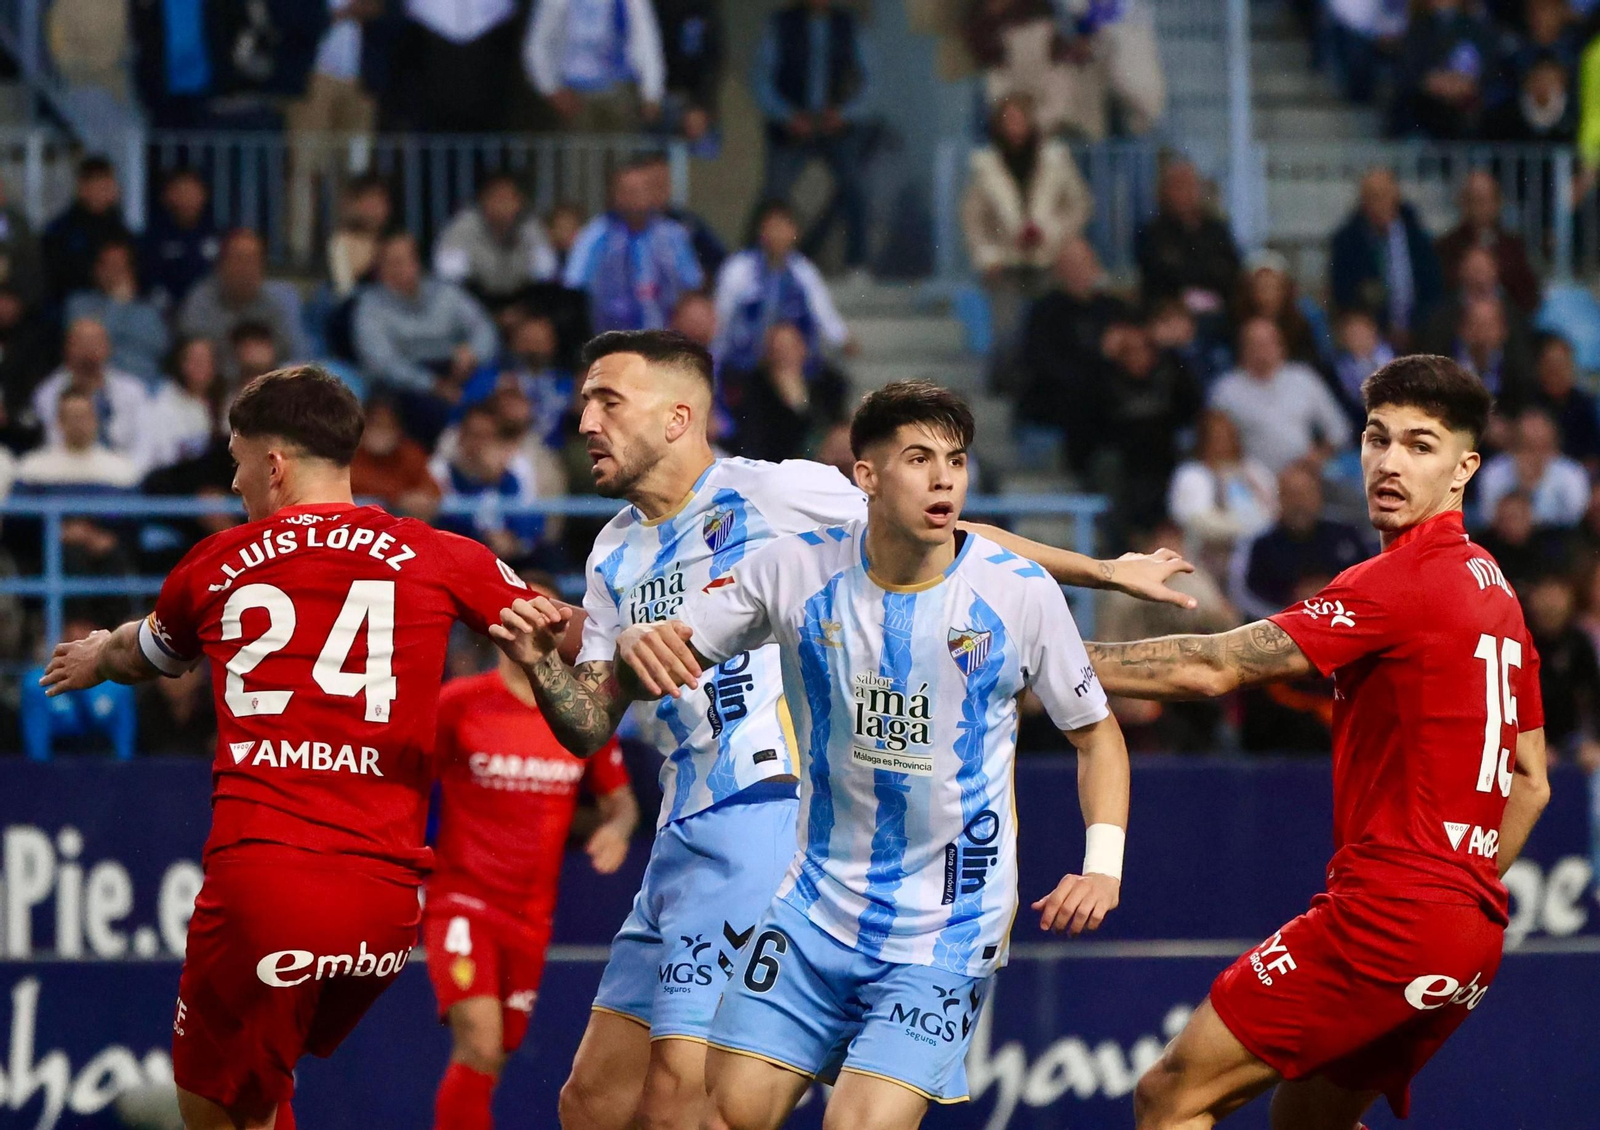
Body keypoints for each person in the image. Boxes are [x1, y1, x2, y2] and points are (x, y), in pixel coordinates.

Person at [477, 329, 1195, 1130]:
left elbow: (944, 532)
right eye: (584, 402)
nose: (585, 421)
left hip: (764, 813)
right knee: (592, 1103)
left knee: (682, 1095)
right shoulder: (612, 552)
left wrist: (1100, 570)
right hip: (683, 831)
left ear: (678, 417)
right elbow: (590, 722)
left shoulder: (778, 495)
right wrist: (542, 664)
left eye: (607, 400)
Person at [596, 379, 1131, 1130]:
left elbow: (1096, 735)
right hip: (813, 910)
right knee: (722, 1117)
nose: (944, 476)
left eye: (956, 459)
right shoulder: (792, 571)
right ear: (867, 478)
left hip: (945, 930)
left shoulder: (1018, 594)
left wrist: (1101, 865)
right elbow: (667, 649)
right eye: (918, 458)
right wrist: (631, 643)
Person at [37, 364, 545, 1130]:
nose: (236, 482)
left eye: (239, 460)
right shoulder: (439, 554)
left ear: (273, 464)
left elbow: (140, 653)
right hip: (382, 912)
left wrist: (92, 654)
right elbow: (567, 628)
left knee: (212, 1111)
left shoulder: (212, 565)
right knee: (269, 1077)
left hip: (264, 886)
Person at [1084, 354, 1551, 1130]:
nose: (1390, 462)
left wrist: (1047, 662)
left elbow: (1213, 667)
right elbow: (1531, 780)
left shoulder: (1399, 581)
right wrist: (1456, 890)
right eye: (1377, 438)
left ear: (1465, 469)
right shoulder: (1496, 590)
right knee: (1308, 1123)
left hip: (1393, 914)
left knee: (1170, 1097)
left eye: (1421, 445)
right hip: (1471, 931)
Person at [425, 572, 639, 1130]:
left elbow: (622, 805)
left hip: (531, 916)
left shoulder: (580, 718)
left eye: (553, 618)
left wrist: (615, 829)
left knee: (498, 1052)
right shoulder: (460, 705)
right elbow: (406, 779)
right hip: (462, 902)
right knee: (479, 1041)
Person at [961, 93, 1093, 381]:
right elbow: (973, 219)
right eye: (1008, 119)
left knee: (1050, 330)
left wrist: (1052, 233)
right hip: (1006, 262)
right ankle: (1005, 391)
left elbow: (1078, 203)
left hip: (1049, 257)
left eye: (1020, 119)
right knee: (1007, 334)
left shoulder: (1055, 159)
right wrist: (987, 256)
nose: (1015, 126)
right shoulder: (986, 165)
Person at [752, 0, 875, 276]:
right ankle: (762, 261)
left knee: (854, 188)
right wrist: (787, 115)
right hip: (791, 127)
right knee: (775, 192)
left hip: (837, 126)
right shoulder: (781, 24)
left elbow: (869, 81)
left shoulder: (849, 25)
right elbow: (761, 80)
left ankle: (857, 265)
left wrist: (845, 113)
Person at [354, 231, 499, 445]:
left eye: (406, 260)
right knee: (428, 410)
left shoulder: (446, 293)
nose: (401, 268)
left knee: (499, 392)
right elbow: (382, 363)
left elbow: (484, 328)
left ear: (418, 262)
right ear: (379, 269)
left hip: (458, 368)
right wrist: (432, 385)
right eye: (392, 262)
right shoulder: (370, 306)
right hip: (409, 382)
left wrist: (473, 353)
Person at [563, 161, 704, 333]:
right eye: (627, 190)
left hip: (663, 337)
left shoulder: (673, 235)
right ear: (614, 194)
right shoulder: (596, 234)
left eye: (641, 189)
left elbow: (691, 284)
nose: (634, 196)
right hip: (609, 336)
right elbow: (574, 282)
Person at [713, 199, 849, 375]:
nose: (778, 234)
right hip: (746, 358)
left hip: (792, 355)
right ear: (760, 231)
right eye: (773, 227)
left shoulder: (803, 270)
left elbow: (822, 310)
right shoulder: (739, 267)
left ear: (795, 232)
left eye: (784, 227)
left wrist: (842, 338)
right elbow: (722, 315)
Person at [1229, 461, 1373, 621]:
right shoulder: (1259, 545)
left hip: (1349, 623)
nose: (1299, 503)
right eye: (1291, 495)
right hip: (1283, 630)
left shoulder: (1347, 534)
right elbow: (1243, 596)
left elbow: (1374, 579)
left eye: (1305, 494)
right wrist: (1291, 614)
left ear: (1319, 495)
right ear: (1279, 498)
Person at [1209, 318, 1351, 473]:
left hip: (1305, 474)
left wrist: (1319, 455)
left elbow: (1339, 430)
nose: (1261, 350)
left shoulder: (1303, 378)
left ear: (1281, 346)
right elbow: (1214, 445)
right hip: (1252, 479)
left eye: (1267, 343)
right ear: (1242, 349)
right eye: (1254, 344)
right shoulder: (1225, 391)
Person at [1329, 168, 1443, 348]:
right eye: (1372, 197)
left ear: (1396, 196)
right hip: (1372, 339)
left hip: (1420, 334)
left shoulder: (1418, 237)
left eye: (1383, 195)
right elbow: (1343, 295)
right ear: (1362, 202)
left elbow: (1433, 288)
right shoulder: (1347, 243)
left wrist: (1417, 325)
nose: (1378, 203)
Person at [178, 228, 312, 376]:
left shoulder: (279, 300)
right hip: (214, 392)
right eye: (238, 259)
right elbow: (191, 364)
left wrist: (267, 365)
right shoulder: (201, 301)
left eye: (252, 260)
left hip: (269, 387)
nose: (245, 269)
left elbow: (299, 359)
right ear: (221, 265)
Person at [1168, 409, 1279, 581]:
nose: (1223, 443)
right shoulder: (1191, 475)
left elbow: (1274, 508)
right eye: (1216, 437)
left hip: (1260, 552)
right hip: (1210, 558)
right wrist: (1243, 528)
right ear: (1204, 440)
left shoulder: (1255, 470)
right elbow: (1198, 520)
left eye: (1227, 436)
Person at [522, 0, 665, 132]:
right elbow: (537, 44)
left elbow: (647, 42)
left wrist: (651, 93)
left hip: (621, 92)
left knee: (625, 157)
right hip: (574, 93)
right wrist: (551, 89)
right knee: (578, 155)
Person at [429, 401, 546, 561]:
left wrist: (513, 538)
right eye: (474, 435)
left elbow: (532, 516)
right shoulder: (440, 469)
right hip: (462, 554)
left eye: (487, 436)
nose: (479, 444)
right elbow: (446, 520)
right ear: (461, 436)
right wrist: (484, 536)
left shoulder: (517, 467)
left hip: (511, 552)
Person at [30, 316, 150, 466]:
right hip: (68, 473)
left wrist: (127, 474)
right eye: (82, 342)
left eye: (96, 341)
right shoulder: (48, 393)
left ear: (109, 347)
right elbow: (53, 441)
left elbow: (144, 444)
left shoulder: (133, 390)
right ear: (67, 347)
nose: (90, 348)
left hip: (123, 475)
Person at [1135, 160, 1240, 329]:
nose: (1185, 193)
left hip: (1218, 314)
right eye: (1177, 186)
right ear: (1164, 191)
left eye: (1190, 185)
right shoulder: (1151, 233)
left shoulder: (1216, 229)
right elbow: (1160, 276)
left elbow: (1231, 269)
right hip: (1169, 314)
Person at [433, 172, 559, 312]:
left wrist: (521, 310)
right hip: (475, 304)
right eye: (498, 198)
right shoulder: (462, 227)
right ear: (483, 200)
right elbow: (451, 279)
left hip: (521, 305)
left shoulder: (530, 227)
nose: (504, 205)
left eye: (510, 198)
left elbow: (546, 273)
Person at [22, 618, 138, 760]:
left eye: (85, 634)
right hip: (56, 768)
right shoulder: (37, 683)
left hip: (103, 767)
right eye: (71, 638)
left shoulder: (118, 683)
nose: (79, 643)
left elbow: (124, 746)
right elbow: (37, 749)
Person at [1434, 171, 1540, 315]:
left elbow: (1527, 297)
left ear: (1497, 203)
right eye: (1473, 199)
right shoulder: (1446, 246)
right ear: (1463, 203)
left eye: (1484, 200)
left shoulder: (1513, 246)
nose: (1479, 207)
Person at [66, 237, 171, 381]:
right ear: (96, 269)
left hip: (145, 386)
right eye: (109, 266)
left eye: (121, 266)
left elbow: (161, 347)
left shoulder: (147, 309)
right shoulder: (79, 304)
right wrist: (116, 304)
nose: (115, 273)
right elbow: (88, 346)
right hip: (97, 385)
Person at [1475, 406, 1590, 527]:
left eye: (1541, 446)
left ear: (1553, 446)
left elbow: (1577, 519)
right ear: (1513, 445)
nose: (1533, 455)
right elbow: (1488, 518)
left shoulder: (1572, 474)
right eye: (1526, 446)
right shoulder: (1493, 473)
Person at [1396, 0, 1496, 138]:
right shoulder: (1417, 29)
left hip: (1467, 113)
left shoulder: (1477, 28)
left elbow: (1489, 69)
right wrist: (1434, 82)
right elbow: (1410, 71)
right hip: (1423, 113)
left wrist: (1465, 84)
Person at [42, 155, 132, 305]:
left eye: (109, 184)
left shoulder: (121, 231)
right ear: (82, 188)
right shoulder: (60, 232)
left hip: (121, 302)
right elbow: (55, 279)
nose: (107, 190)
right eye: (100, 185)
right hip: (73, 306)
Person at [141, 336, 229, 473]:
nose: (201, 366)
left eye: (206, 360)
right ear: (181, 364)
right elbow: (163, 460)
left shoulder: (227, 403)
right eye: (195, 360)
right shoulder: (163, 404)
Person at [348, 395, 441, 517]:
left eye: (388, 426)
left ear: (399, 430)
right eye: (376, 424)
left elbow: (432, 492)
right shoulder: (347, 451)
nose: (381, 433)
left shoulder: (410, 454)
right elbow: (347, 482)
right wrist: (396, 496)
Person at [142, 168, 219, 312]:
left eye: (193, 191)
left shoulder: (218, 235)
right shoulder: (154, 237)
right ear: (167, 195)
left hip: (211, 309)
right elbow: (150, 279)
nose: (188, 197)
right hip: (167, 311)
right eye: (181, 191)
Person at [1521, 332, 1600, 470]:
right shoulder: (1528, 404)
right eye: (1550, 365)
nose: (1556, 371)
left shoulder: (1585, 405)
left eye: (1561, 365)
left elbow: (1592, 456)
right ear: (1539, 367)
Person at [655, 0, 724, 143]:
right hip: (653, 98)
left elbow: (713, 59)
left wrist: (701, 103)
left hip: (689, 99)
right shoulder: (651, 6)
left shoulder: (703, 9)